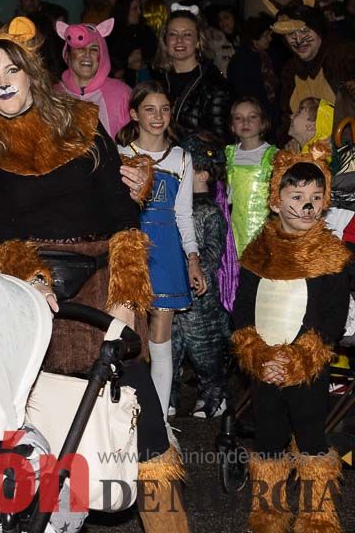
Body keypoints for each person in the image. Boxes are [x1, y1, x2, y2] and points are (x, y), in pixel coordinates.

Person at [0, 17, 189, 532]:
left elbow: (122, 217)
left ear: (31, 72)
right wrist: (32, 281)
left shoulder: (82, 121)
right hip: (31, 295)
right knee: (44, 422)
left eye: (13, 67)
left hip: (103, 280)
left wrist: (126, 301)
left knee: (140, 411)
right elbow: (4, 235)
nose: (5, 80)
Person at [232, 146, 349, 533]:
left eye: (316, 198)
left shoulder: (333, 255)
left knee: (312, 432)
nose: (307, 206)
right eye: (297, 197)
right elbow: (243, 308)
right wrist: (259, 355)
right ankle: (270, 509)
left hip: (308, 366)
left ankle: (317, 513)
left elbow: (333, 317)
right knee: (269, 435)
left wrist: (300, 359)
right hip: (265, 364)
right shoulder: (258, 252)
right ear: (276, 201)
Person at [116, 83, 207, 420]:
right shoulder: (119, 154)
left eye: (165, 109)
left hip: (166, 251)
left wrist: (192, 260)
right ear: (134, 114)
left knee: (161, 336)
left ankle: (158, 422)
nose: (158, 117)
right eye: (150, 109)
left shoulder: (182, 157)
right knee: (125, 330)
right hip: (129, 248)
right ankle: (124, 416)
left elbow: (184, 214)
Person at [170, 134, 231, 420]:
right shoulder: (174, 207)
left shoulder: (210, 213)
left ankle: (214, 396)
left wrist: (188, 267)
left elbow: (212, 253)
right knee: (171, 346)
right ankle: (168, 395)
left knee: (204, 350)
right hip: (174, 290)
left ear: (203, 174)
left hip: (200, 297)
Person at [263, 0, 355, 137]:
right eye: (291, 34)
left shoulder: (344, 56)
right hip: (307, 155)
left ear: (318, 29)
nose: (298, 40)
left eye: (305, 31)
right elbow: (286, 118)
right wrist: (288, 141)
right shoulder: (290, 71)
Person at [153, 6, 233, 141]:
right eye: (173, 34)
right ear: (165, 41)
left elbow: (220, 141)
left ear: (198, 41)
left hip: (196, 161)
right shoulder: (156, 81)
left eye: (187, 34)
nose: (179, 40)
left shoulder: (215, 84)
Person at [55, 18, 132, 138]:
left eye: (94, 49)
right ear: (68, 55)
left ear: (102, 55)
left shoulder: (122, 94)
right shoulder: (54, 95)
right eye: (80, 49)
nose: (87, 55)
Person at [226, 98, 277, 260]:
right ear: (232, 127)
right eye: (238, 118)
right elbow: (226, 195)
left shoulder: (273, 155)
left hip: (264, 229)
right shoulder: (229, 154)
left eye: (252, 117)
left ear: (263, 123)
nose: (245, 122)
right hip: (235, 229)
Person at [226, 15, 279, 134]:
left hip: (266, 114)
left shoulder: (266, 56)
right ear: (254, 38)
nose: (269, 39)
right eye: (266, 36)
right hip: (253, 117)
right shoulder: (243, 59)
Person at [108, 0, 158, 85]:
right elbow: (108, 63)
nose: (139, 12)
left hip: (144, 82)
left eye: (140, 8)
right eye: (135, 9)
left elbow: (155, 56)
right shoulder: (111, 34)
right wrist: (127, 62)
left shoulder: (146, 31)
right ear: (124, 10)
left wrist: (142, 60)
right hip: (119, 83)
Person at [204, 6, 239, 76]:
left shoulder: (245, 38)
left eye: (226, 17)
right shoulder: (217, 38)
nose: (223, 22)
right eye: (220, 19)